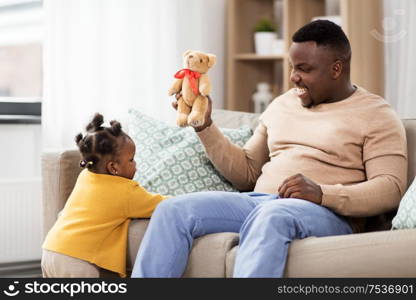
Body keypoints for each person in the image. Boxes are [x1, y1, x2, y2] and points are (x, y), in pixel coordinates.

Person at [131, 20, 407, 278]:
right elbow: (248, 170)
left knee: (272, 214)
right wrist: (205, 126)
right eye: (292, 67)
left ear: (336, 69)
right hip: (260, 201)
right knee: (173, 210)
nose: (293, 78)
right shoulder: (283, 104)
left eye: (304, 69)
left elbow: (390, 188)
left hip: (328, 214)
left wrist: (322, 193)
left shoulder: (376, 114)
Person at [42, 113, 167, 278]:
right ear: (113, 167)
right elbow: (164, 205)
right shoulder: (127, 192)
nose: (135, 164)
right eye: (131, 160)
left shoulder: (86, 177)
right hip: (77, 261)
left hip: (51, 249)